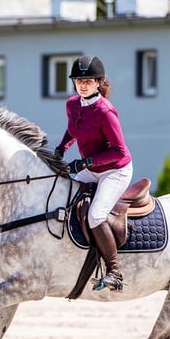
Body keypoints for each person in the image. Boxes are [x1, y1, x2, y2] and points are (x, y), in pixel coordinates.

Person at [54, 55, 133, 291]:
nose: (83, 84)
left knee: (96, 215)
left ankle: (115, 271)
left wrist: (86, 161)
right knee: (65, 198)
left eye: (88, 80)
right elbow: (72, 130)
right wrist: (61, 148)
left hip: (115, 171)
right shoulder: (72, 104)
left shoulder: (106, 112)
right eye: (78, 80)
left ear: (99, 82)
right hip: (91, 168)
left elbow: (119, 151)